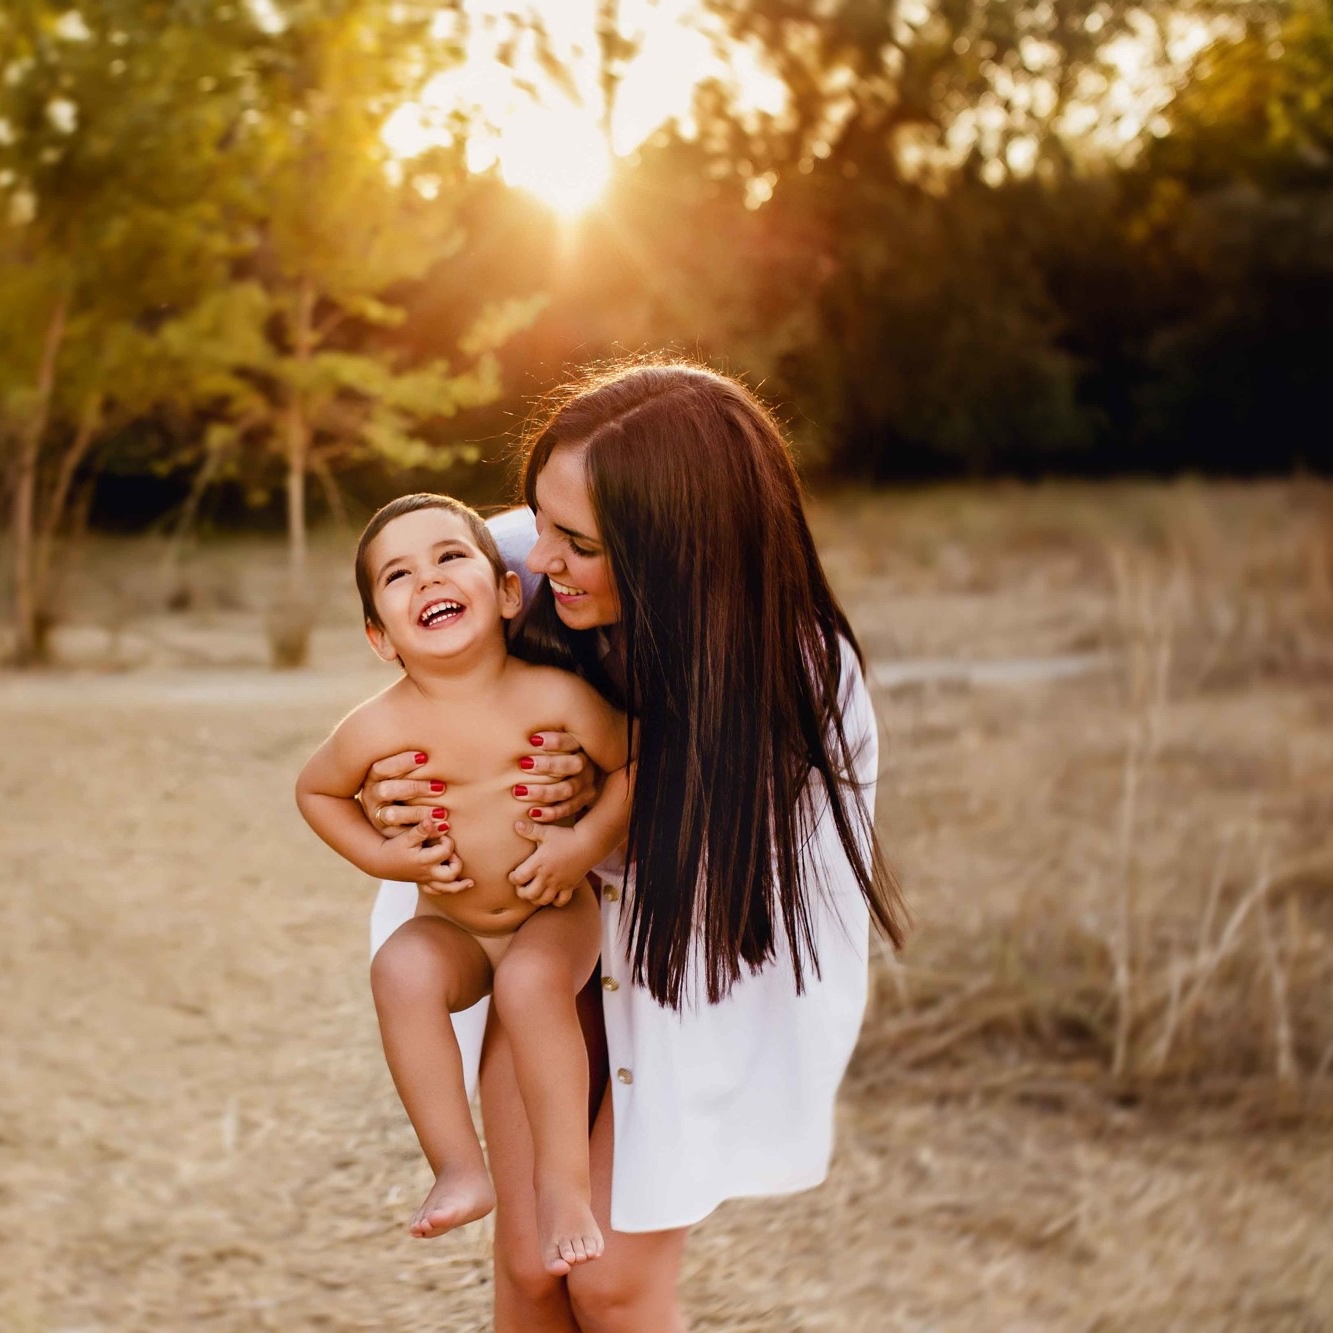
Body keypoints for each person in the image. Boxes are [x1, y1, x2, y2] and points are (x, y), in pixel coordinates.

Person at [360, 363, 907, 1330]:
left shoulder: (799, 676)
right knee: (531, 1267)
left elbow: (744, 876)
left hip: (688, 955)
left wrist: (597, 807)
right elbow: (416, 659)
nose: (541, 555)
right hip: (542, 934)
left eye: (579, 543)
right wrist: (395, 786)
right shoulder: (520, 559)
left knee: (611, 1283)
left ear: (675, 553)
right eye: (540, 520)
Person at [297, 493, 635, 1276]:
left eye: (450, 557)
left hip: (552, 909)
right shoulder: (376, 725)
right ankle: (457, 1165)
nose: (428, 578)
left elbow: (631, 762)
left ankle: (564, 1187)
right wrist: (387, 858)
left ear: (509, 592)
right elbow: (315, 792)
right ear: (380, 636)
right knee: (399, 968)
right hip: (453, 924)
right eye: (398, 574)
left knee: (528, 982)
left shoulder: (554, 695)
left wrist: (582, 843)